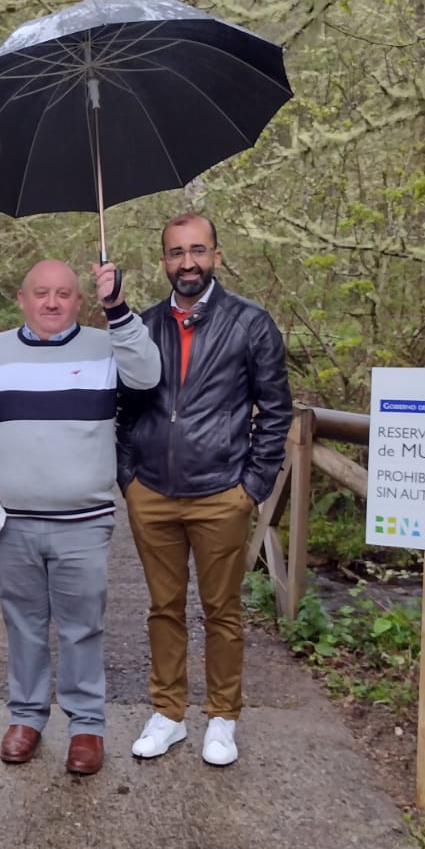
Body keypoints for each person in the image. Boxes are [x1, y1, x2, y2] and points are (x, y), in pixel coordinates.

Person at [0, 258, 160, 775]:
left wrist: (118, 309)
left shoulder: (106, 346)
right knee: (23, 624)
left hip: (84, 522)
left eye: (65, 294)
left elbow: (148, 374)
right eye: (42, 293)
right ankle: (26, 717)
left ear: (80, 300)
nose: (53, 302)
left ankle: (87, 726)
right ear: (21, 298)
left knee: (82, 627)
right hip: (12, 522)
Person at [117, 213, 292, 767]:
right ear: (163, 259)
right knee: (163, 608)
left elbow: (277, 409)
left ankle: (222, 716)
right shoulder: (141, 326)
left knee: (222, 610)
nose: (186, 262)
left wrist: (253, 484)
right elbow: (122, 410)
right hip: (154, 492)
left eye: (197, 250)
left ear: (216, 254)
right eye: (175, 252)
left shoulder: (250, 323)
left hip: (222, 491)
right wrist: (130, 478)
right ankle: (168, 714)